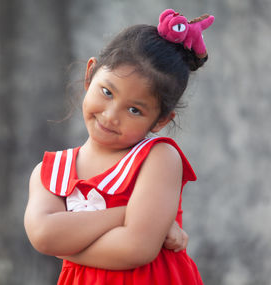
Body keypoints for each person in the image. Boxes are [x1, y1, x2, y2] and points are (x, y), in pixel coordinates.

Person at [24, 9, 213, 284]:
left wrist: (63, 244)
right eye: (107, 92)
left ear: (160, 120)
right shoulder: (51, 172)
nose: (112, 115)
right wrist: (129, 215)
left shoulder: (158, 158)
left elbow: (136, 248)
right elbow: (42, 235)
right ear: (90, 75)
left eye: (135, 110)